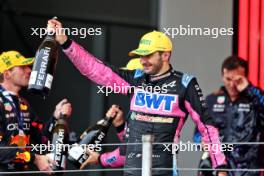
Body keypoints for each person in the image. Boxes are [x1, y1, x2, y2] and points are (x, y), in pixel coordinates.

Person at [48, 19, 227, 176]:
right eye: (141, 55)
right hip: (132, 171)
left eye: (148, 55)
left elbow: (207, 126)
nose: (143, 60)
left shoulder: (185, 84)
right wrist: (65, 42)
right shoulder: (135, 79)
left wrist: (220, 167)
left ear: (165, 55)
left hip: (163, 171)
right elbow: (95, 70)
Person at [0, 51, 72, 174]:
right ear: (7, 74)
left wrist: (55, 117)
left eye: (28, 67)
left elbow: (43, 139)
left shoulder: (23, 103)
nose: (29, 71)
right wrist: (35, 158)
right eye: (23, 67)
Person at [194, 56, 264, 176]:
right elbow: (198, 133)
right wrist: (201, 141)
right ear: (222, 76)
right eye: (228, 79)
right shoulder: (211, 100)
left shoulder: (255, 98)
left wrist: (249, 89)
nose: (232, 84)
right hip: (217, 166)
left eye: (237, 80)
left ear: (245, 77)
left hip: (248, 167)